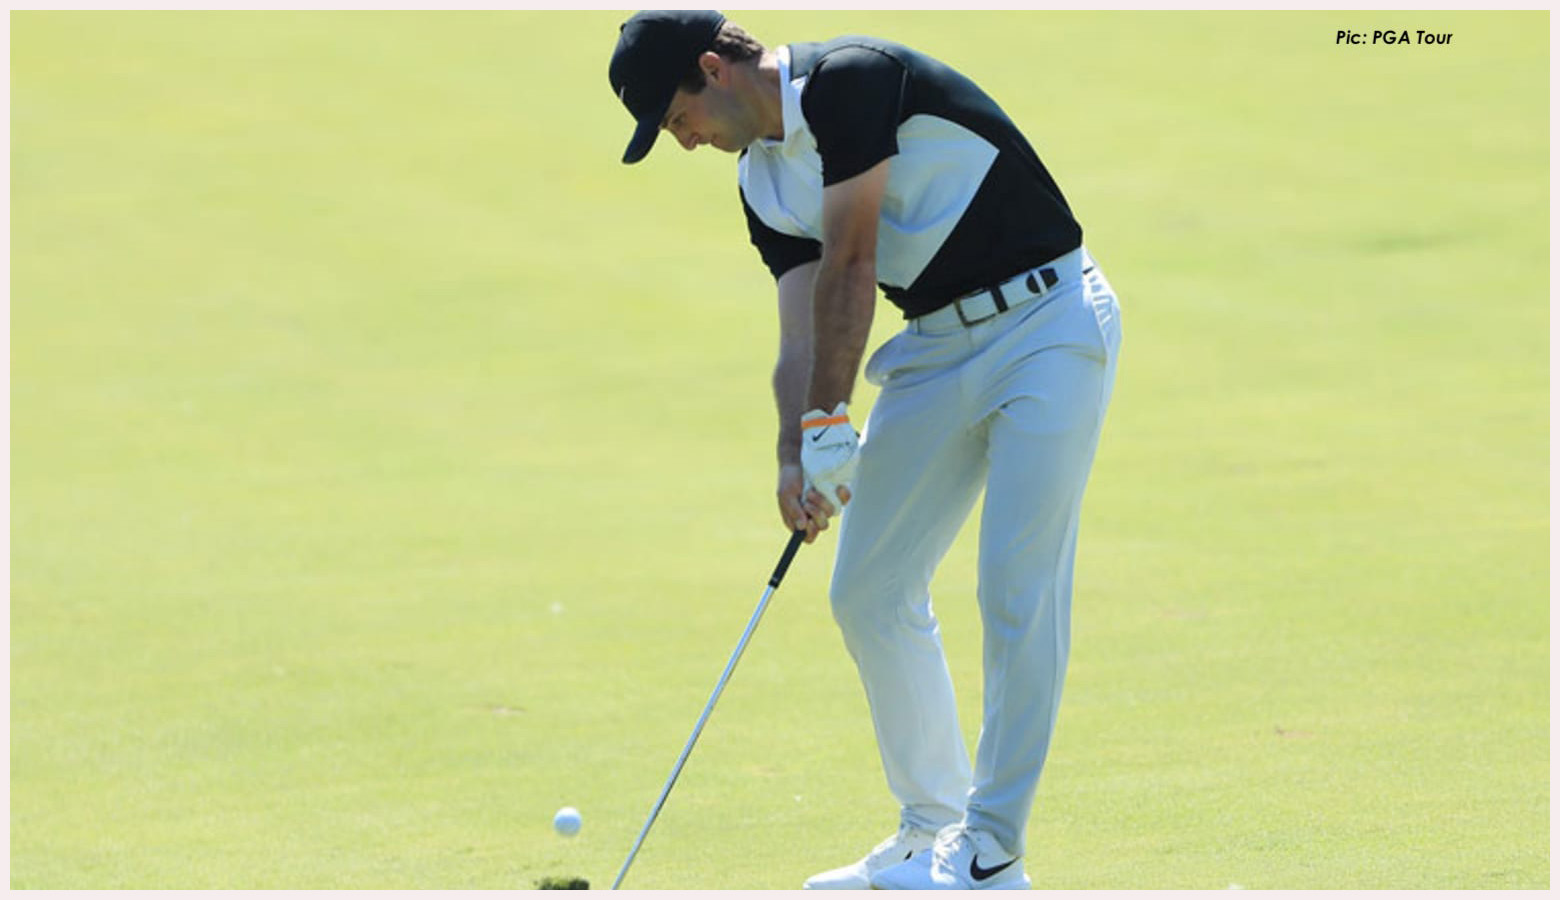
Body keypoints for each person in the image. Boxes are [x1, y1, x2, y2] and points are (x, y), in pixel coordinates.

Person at [608, 10, 1122, 891]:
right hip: (934, 348)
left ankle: (991, 853)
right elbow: (802, 324)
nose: (683, 142)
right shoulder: (761, 184)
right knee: (869, 590)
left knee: (1016, 587)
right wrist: (792, 454)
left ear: (712, 69)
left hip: (1047, 322)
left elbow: (852, 261)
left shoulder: (849, 80)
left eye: (675, 117)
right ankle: (932, 828)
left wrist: (828, 424)